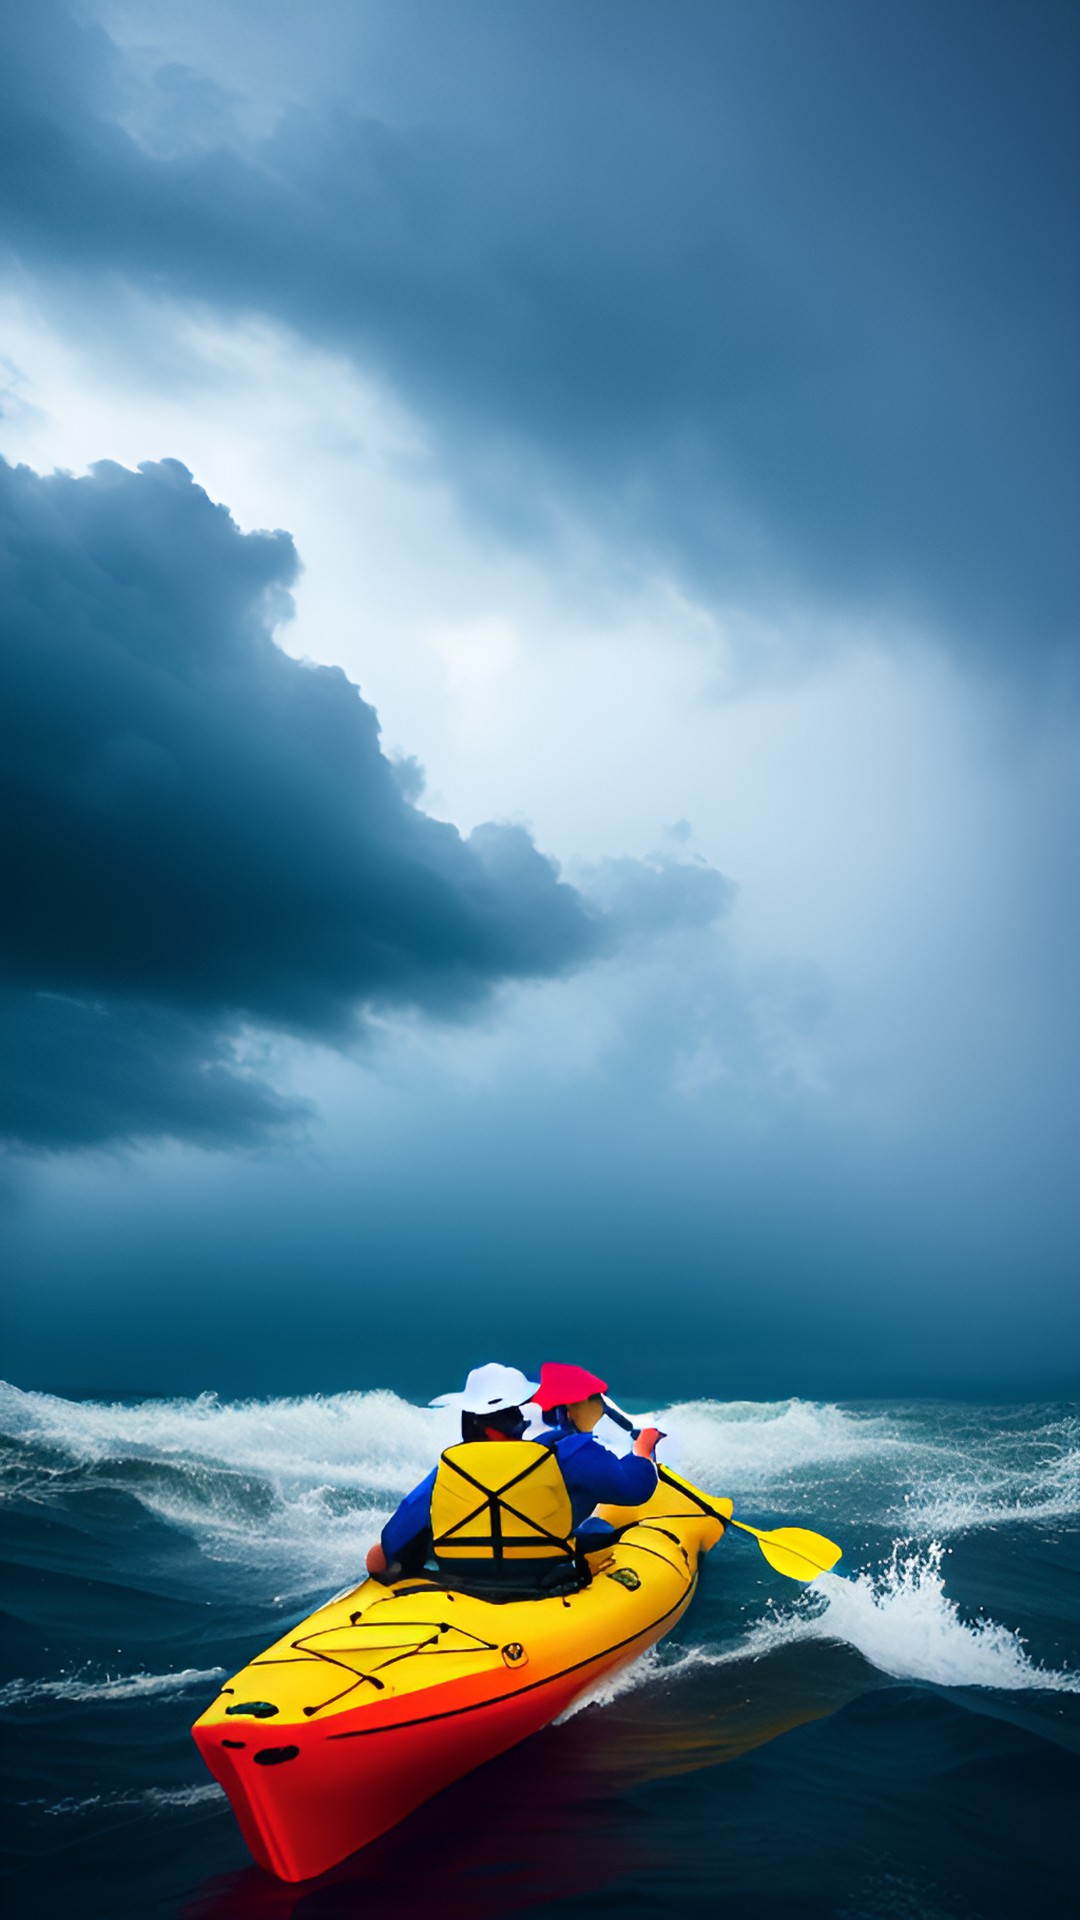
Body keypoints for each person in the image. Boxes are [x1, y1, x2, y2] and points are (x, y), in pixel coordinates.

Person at [365, 1363, 540, 1581]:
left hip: (465, 1578)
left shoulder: (449, 1471)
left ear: (470, 1422)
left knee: (377, 1556)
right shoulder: (550, 1460)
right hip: (542, 1573)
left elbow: (392, 1541)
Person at [531, 1362, 662, 1549]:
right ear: (571, 1409)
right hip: (539, 1554)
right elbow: (634, 1490)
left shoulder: (534, 1443)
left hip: (486, 1548)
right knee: (598, 1527)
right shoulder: (576, 1450)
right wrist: (643, 1448)